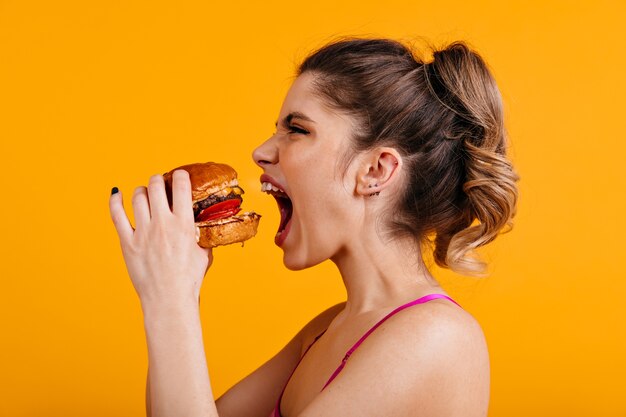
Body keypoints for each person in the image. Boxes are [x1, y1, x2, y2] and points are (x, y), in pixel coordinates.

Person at [109, 37, 519, 417]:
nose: (261, 151)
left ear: (375, 171)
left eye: (297, 129)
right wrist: (176, 286)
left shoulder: (436, 338)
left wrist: (170, 301)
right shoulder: (328, 328)